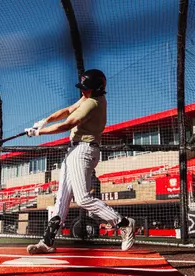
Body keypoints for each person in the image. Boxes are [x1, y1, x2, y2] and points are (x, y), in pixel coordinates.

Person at [24, 69, 136, 254]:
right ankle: (47, 242)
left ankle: (124, 223)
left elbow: (68, 123)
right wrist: (44, 121)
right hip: (75, 151)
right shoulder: (89, 97)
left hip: (84, 150)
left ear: (96, 88)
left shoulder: (93, 103)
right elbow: (67, 110)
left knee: (83, 198)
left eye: (86, 88)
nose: (83, 91)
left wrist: (38, 133)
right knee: (61, 200)